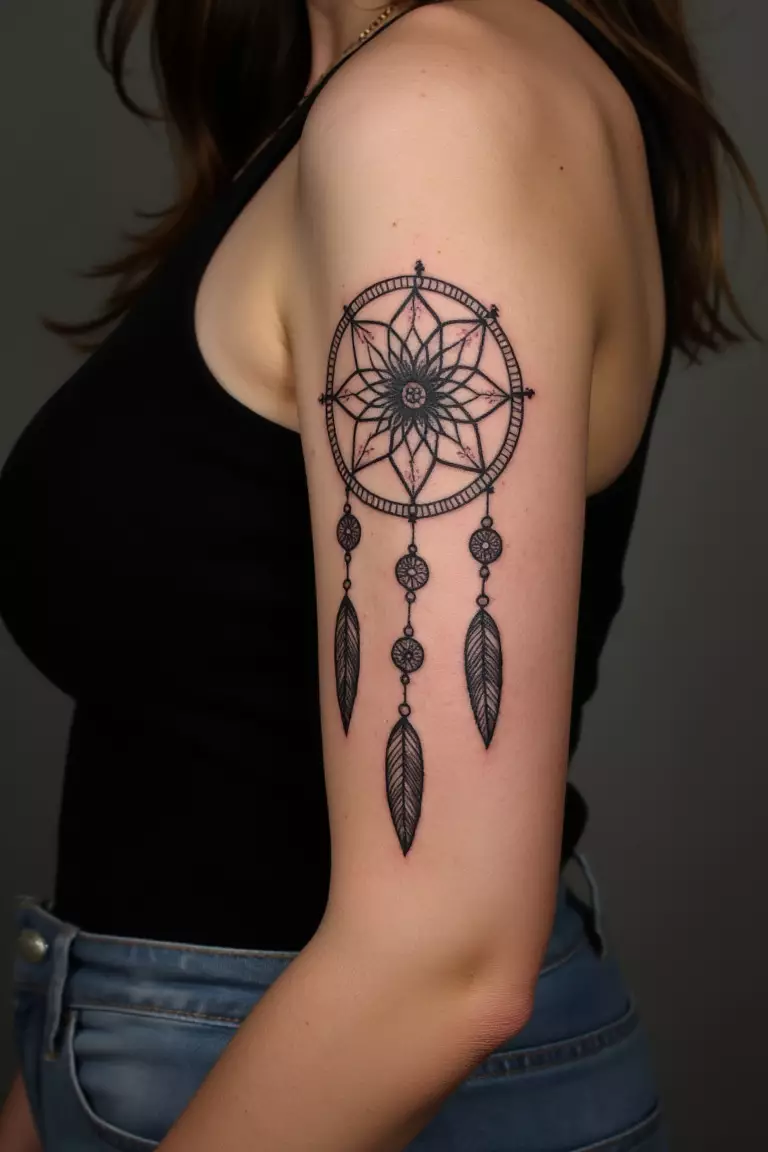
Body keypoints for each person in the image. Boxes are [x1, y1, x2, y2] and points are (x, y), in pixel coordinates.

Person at [0, 1, 764, 1149]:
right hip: (185, 1064)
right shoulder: (356, 98)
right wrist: (57, 1084)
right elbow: (171, 749)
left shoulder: (433, 109)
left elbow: (443, 956)